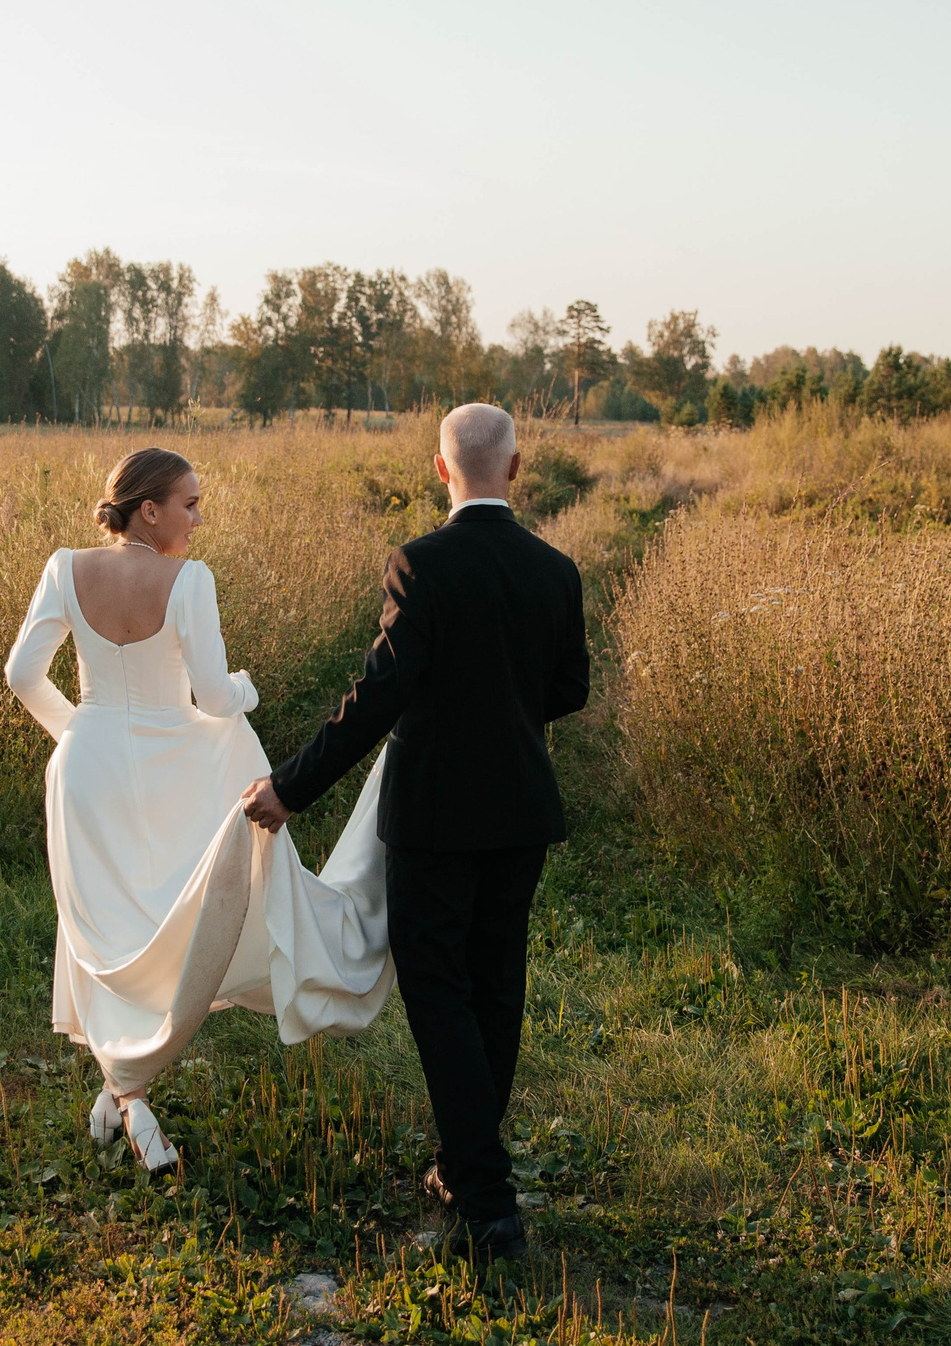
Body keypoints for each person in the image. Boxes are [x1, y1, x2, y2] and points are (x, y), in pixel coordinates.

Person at [243, 404, 589, 1267]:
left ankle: (486, 1197)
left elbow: (381, 695)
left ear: (441, 470)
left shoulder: (420, 565)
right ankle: (468, 1167)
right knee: (494, 983)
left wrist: (291, 788)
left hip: (435, 816)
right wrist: (503, 710)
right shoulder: (557, 569)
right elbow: (570, 688)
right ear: (515, 467)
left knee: (439, 994)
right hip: (520, 813)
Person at [4, 447, 396, 1172]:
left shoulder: (64, 567)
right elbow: (213, 698)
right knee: (174, 923)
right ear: (148, 510)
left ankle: (121, 1086)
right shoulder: (189, 580)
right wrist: (248, 688)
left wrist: (78, 735)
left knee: (111, 925)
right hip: (170, 768)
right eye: (189, 503)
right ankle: (130, 1095)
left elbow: (21, 674)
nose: (199, 517)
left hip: (86, 770)